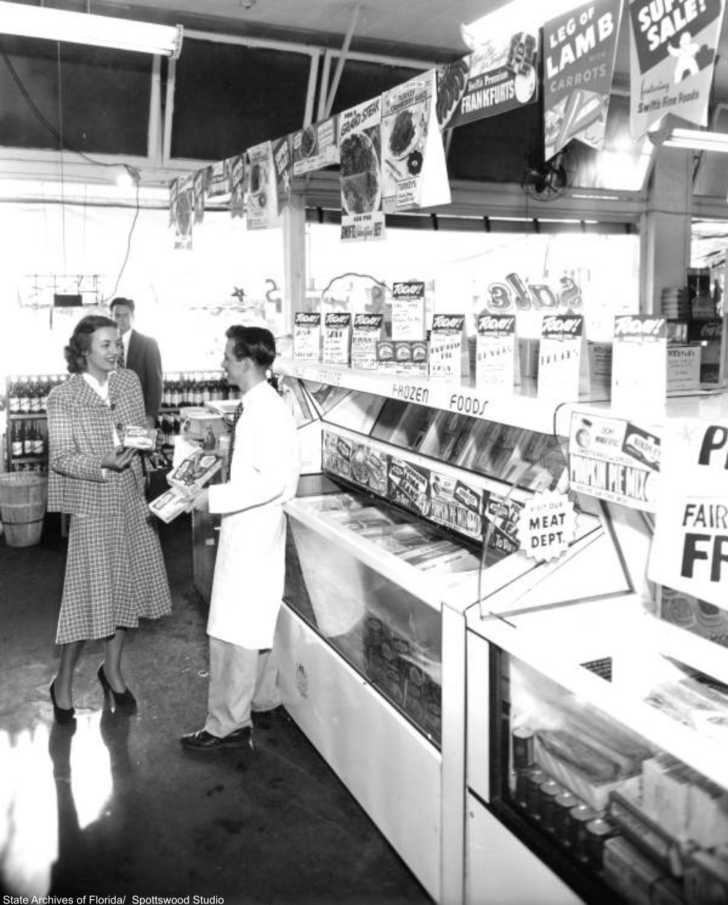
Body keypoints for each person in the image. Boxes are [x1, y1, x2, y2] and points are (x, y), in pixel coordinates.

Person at [47, 315, 172, 723]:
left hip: (130, 498)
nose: (115, 350)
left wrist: (145, 445)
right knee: (88, 597)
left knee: (126, 591)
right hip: (93, 503)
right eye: (106, 345)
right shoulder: (62, 398)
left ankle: (112, 670)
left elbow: (138, 431)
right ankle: (62, 681)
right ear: (84, 351)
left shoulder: (128, 382)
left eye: (117, 343)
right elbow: (62, 458)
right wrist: (103, 463)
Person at [181, 325, 299, 751]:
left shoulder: (265, 411)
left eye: (228, 355)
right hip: (253, 530)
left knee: (234, 629)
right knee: (252, 623)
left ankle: (227, 724)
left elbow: (269, 481)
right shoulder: (261, 404)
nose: (222, 362)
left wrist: (208, 498)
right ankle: (262, 700)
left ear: (247, 362)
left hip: (252, 529)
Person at [110, 297, 163, 427]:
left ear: (132, 316)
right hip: (111, 417)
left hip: (139, 416)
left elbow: (155, 384)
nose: (121, 319)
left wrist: (150, 416)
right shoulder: (105, 345)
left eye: (125, 315)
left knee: (137, 447)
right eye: (117, 315)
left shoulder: (148, 344)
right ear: (111, 317)